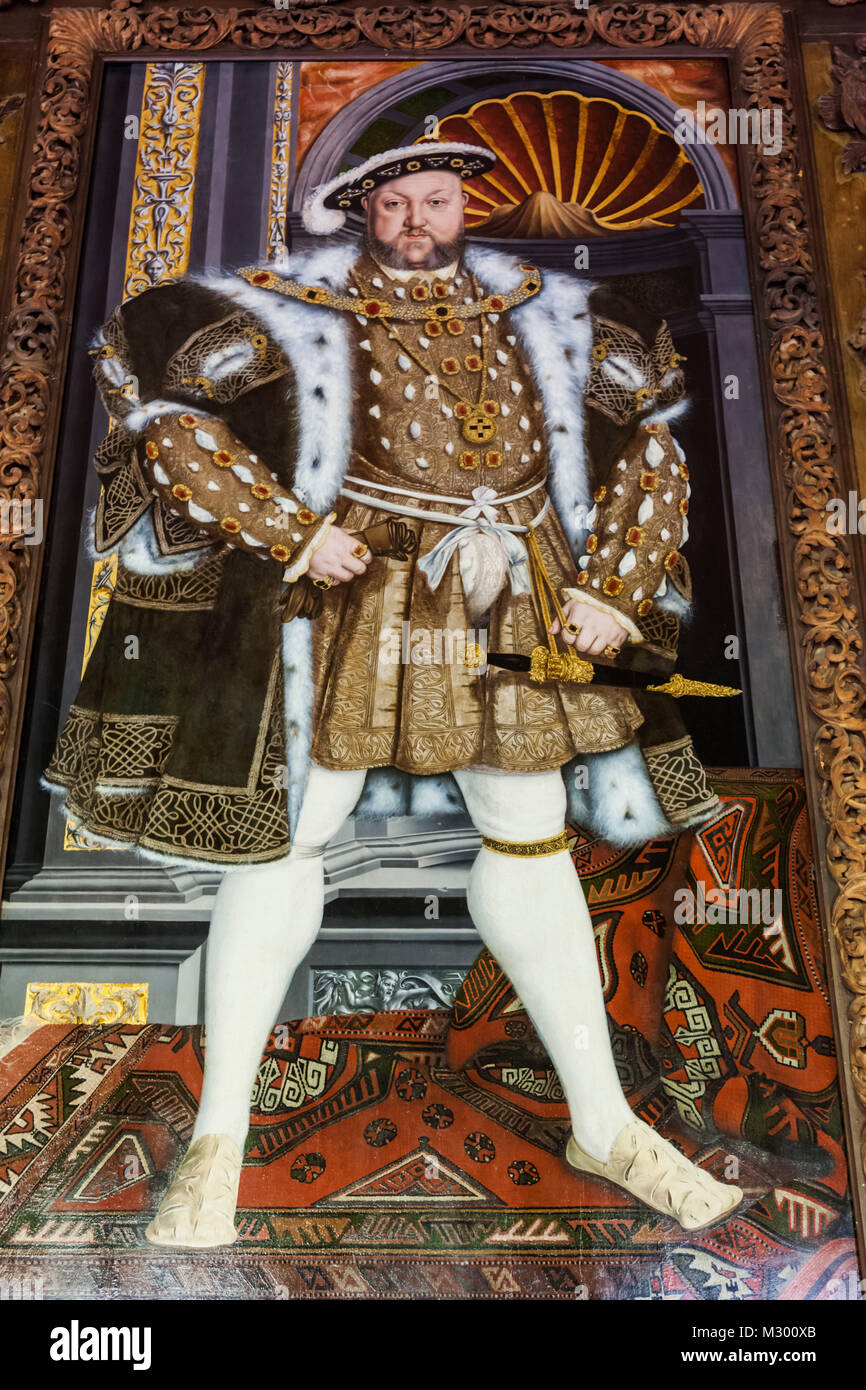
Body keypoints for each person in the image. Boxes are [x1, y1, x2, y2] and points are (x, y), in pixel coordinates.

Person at [44, 139, 743, 1247]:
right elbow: (169, 420)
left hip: (516, 575)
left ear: (465, 203)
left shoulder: (548, 309)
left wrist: (611, 587)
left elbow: (651, 444)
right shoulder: (284, 308)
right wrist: (292, 530)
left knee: (527, 831)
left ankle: (602, 1122)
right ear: (364, 210)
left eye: (438, 197)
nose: (417, 216)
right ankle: (217, 1144)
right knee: (295, 832)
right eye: (395, 200)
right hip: (356, 581)